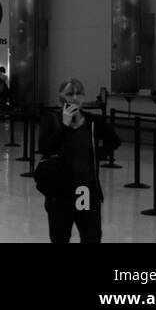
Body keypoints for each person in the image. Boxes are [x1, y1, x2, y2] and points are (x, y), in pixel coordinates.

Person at [38, 77, 121, 243]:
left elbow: (114, 140)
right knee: (60, 237)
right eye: (70, 94)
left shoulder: (91, 121)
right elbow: (45, 148)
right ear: (61, 97)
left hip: (84, 190)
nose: (74, 98)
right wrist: (64, 126)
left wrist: (97, 153)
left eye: (78, 93)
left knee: (91, 236)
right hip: (60, 192)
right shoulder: (52, 120)